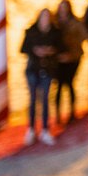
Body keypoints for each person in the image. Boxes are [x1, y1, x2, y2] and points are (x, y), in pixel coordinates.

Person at [20, 8, 62, 145]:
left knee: (45, 100)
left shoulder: (55, 32)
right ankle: (31, 130)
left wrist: (51, 51)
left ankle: (45, 130)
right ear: (39, 18)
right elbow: (23, 49)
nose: (45, 20)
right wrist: (35, 51)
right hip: (33, 69)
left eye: (47, 17)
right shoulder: (31, 31)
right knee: (33, 100)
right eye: (43, 17)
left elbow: (61, 48)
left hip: (48, 70)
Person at [54, 0, 87, 124]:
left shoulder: (75, 22)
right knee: (59, 86)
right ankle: (57, 115)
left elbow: (83, 37)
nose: (63, 10)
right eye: (61, 8)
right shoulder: (55, 22)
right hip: (58, 59)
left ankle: (72, 112)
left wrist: (71, 54)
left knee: (69, 83)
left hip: (73, 58)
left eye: (65, 8)